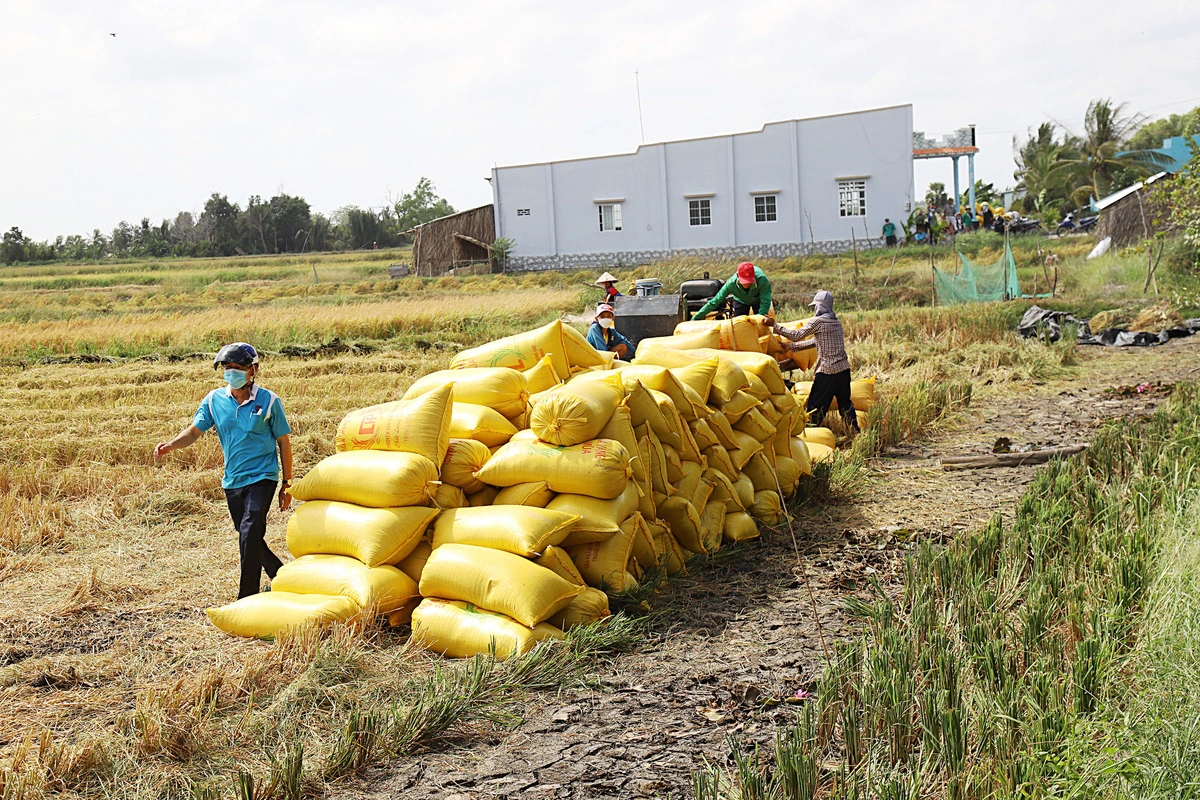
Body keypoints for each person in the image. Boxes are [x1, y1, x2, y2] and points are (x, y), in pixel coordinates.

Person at [154, 342, 293, 599]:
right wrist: (171, 445)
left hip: (263, 477)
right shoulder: (214, 400)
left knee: (250, 531)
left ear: (253, 370)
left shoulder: (269, 401)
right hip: (233, 481)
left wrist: (287, 483)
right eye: (227, 368)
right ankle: (281, 573)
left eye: (238, 367)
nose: (232, 372)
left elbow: (283, 441)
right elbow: (195, 431)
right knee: (247, 536)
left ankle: (247, 597)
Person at [770, 290, 859, 434]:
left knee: (815, 406)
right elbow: (815, 342)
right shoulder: (836, 322)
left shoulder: (819, 322)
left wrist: (775, 326)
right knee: (845, 404)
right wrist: (791, 347)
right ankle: (855, 431)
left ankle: (810, 433)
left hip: (828, 372)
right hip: (843, 371)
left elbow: (796, 335)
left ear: (819, 306)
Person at [691, 261, 773, 320]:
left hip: (758, 301)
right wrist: (697, 317)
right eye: (744, 281)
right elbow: (715, 302)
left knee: (762, 322)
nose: (746, 284)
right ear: (738, 277)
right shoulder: (731, 284)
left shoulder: (762, 280)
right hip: (741, 301)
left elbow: (765, 301)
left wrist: (760, 318)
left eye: (749, 281)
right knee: (740, 325)